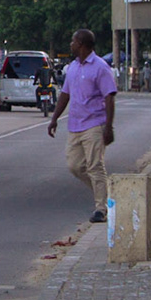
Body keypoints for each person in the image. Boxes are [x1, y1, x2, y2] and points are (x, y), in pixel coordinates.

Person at [48, 29, 117, 222]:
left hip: (95, 124)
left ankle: (101, 208)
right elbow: (65, 95)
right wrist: (54, 119)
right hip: (75, 124)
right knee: (75, 166)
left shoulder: (100, 67)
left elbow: (109, 97)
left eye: (73, 41)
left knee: (95, 166)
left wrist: (109, 127)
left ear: (82, 44)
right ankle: (107, 192)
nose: (70, 44)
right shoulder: (73, 67)